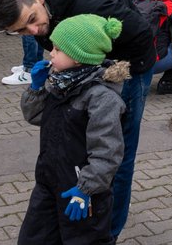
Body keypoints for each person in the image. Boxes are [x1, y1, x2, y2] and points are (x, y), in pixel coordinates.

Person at [0, 0, 156, 240]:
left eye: (32, 19)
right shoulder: (41, 13)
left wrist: (108, 76)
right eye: (22, 30)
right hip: (77, 71)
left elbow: (142, 35)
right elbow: (40, 115)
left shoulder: (91, 6)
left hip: (129, 64)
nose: (35, 30)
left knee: (116, 153)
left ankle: (107, 230)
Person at [19, 14, 129, 245]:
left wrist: (86, 188)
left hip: (82, 190)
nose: (51, 54)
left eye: (58, 50)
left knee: (84, 239)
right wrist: (36, 88)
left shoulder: (102, 98)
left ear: (79, 58)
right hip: (48, 182)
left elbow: (107, 152)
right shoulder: (60, 84)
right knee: (34, 237)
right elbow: (36, 116)